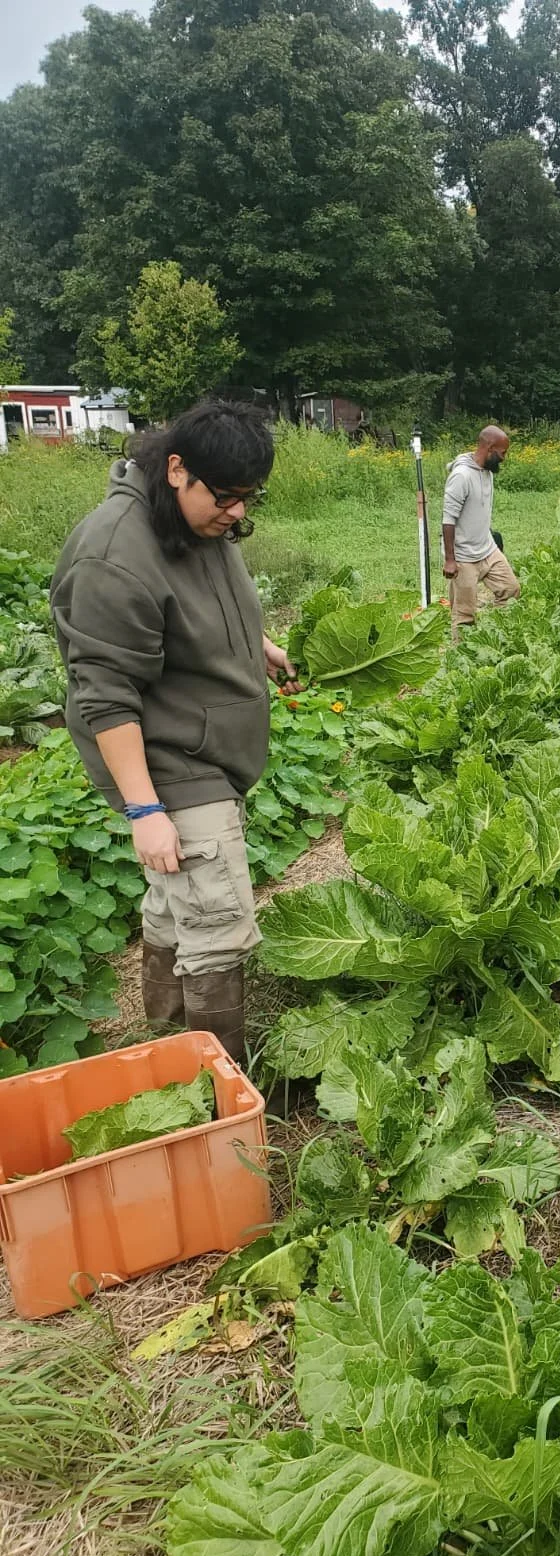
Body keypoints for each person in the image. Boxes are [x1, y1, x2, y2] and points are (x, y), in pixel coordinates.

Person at [49, 399, 299, 1064]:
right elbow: (104, 697)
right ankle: (216, 1080)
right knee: (218, 919)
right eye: (227, 496)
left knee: (174, 901)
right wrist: (145, 809)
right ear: (177, 469)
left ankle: (162, 1040)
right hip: (173, 759)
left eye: (250, 497)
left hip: (206, 740)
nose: (238, 512)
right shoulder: (113, 558)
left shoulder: (195, 520)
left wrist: (257, 646)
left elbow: (197, 608)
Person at [441, 425, 521, 625]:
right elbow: (448, 519)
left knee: (511, 590)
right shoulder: (462, 476)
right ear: (490, 448)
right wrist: (451, 560)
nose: (504, 458)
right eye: (502, 453)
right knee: (464, 615)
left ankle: (498, 636)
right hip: (464, 556)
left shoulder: (487, 471)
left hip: (487, 549)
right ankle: (462, 653)